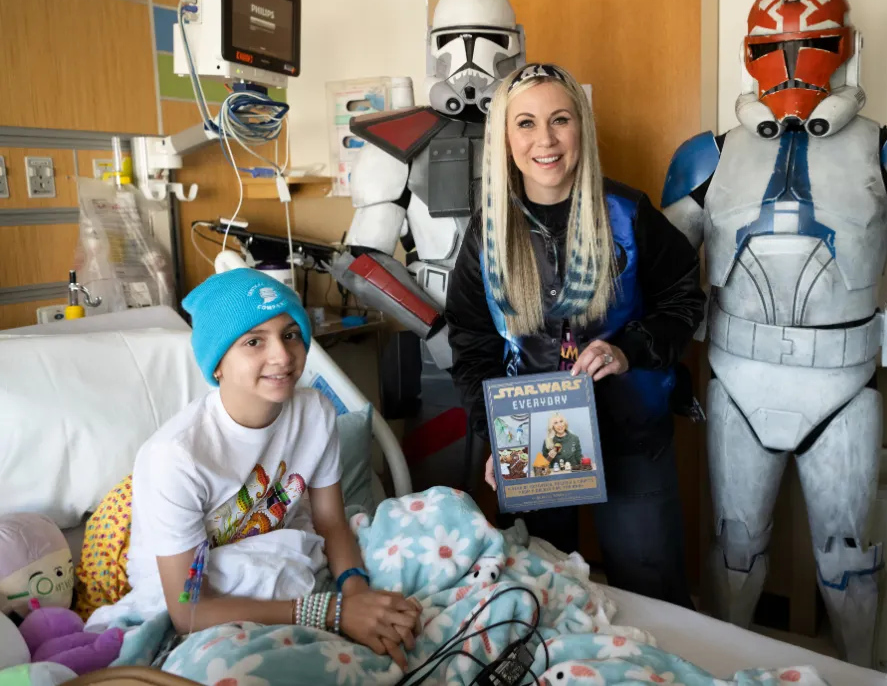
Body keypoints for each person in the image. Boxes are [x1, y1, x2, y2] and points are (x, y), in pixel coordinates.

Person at [445, 63, 706, 608]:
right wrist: (494, 434)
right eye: (526, 123)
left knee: (652, 588)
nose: (545, 140)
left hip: (631, 427)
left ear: (581, 127)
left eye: (560, 119)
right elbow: (472, 343)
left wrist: (627, 350)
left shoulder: (628, 214)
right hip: (532, 433)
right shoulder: (486, 233)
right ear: (505, 138)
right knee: (543, 594)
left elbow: (684, 300)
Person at [93, 269, 420, 666]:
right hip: (197, 589)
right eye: (253, 341)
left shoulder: (315, 413)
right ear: (218, 365)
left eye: (290, 334)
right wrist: (333, 613)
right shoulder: (176, 457)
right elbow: (188, 610)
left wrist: (356, 592)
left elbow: (331, 522)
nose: (281, 356)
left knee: (441, 513)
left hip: (287, 552)